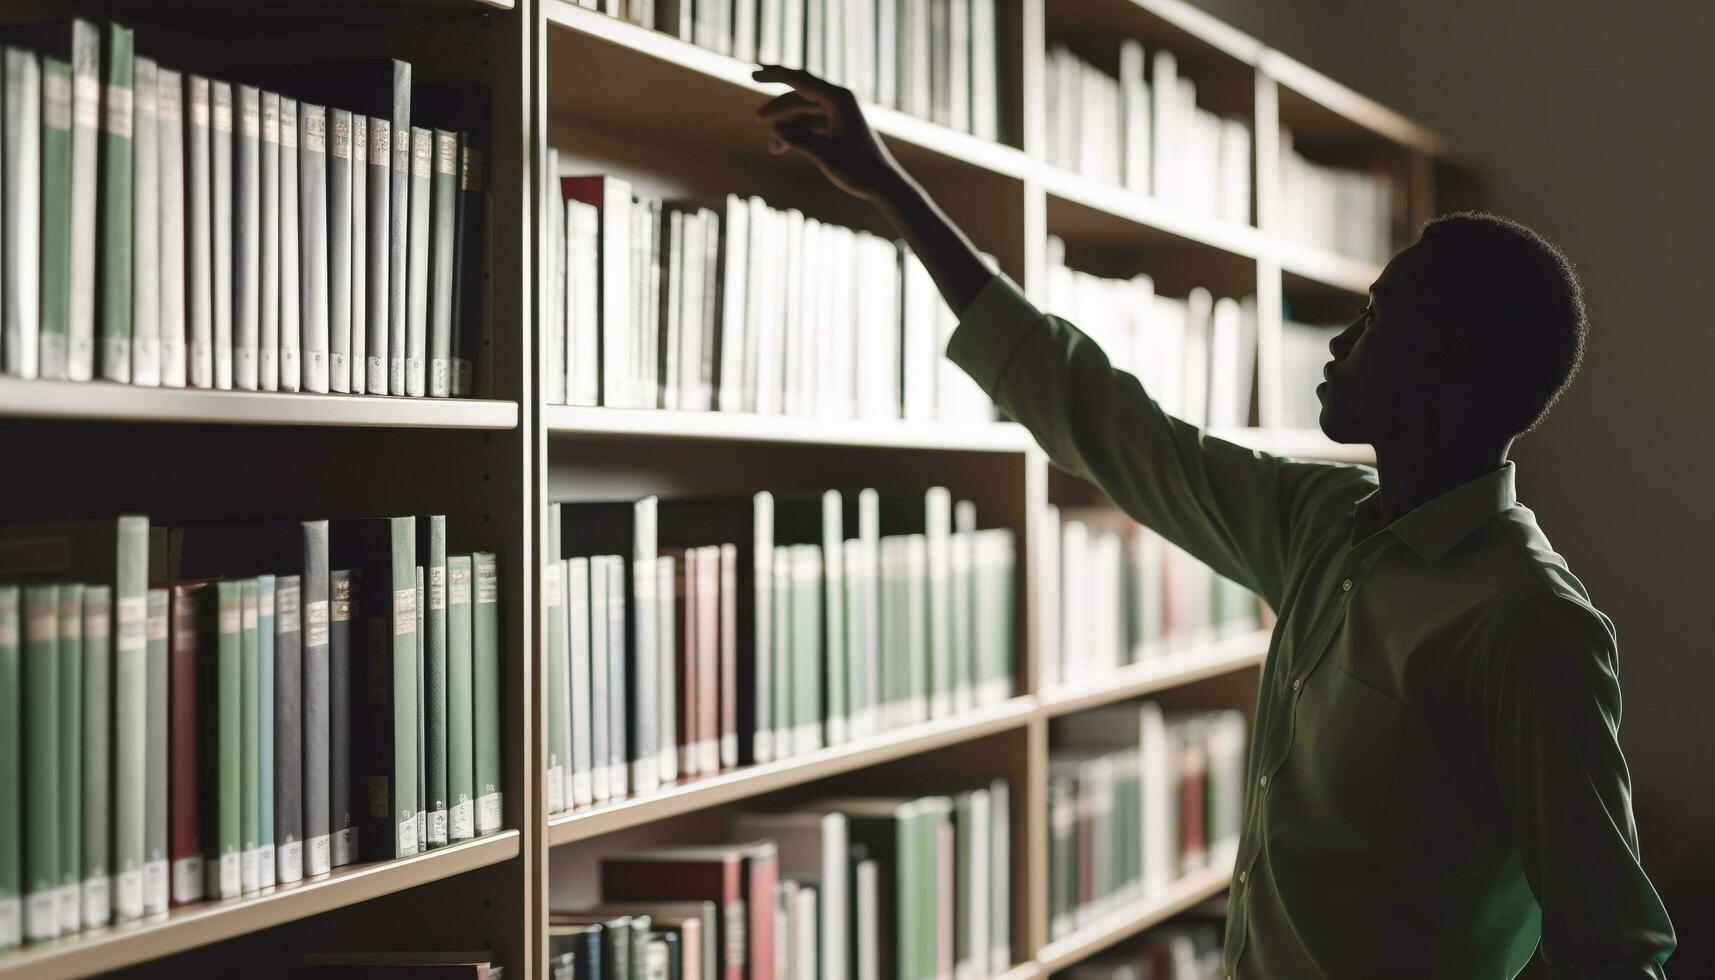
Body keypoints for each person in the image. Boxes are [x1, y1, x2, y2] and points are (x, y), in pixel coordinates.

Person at [749, 65, 1676, 978]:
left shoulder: (1529, 624)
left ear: (1439, 362)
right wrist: (890, 189)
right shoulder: (1320, 522)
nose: (1338, 344)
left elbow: (1613, 950)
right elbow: (1112, 425)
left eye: (1372, 318)